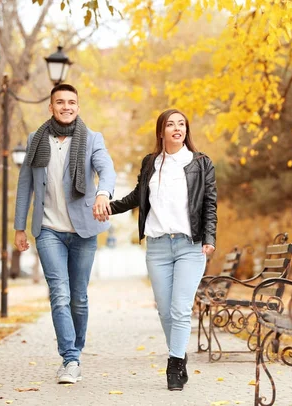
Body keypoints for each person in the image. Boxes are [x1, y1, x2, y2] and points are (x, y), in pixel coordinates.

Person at [102, 108, 217, 391]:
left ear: (186, 130)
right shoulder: (151, 162)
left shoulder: (201, 163)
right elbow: (137, 196)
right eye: (171, 124)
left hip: (190, 246)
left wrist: (210, 237)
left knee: (180, 309)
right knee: (165, 312)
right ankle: (180, 351)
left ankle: (175, 365)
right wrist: (109, 207)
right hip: (157, 247)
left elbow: (209, 204)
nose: (177, 128)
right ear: (161, 131)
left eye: (182, 124)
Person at [14, 83, 116, 385]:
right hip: (48, 231)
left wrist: (103, 193)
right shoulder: (36, 140)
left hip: (83, 230)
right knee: (59, 295)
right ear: (51, 107)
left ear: (78, 107)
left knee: (78, 298)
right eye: (60, 102)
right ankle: (70, 359)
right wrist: (20, 227)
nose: (66, 107)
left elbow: (106, 169)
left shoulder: (92, 139)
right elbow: (24, 186)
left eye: (72, 102)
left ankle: (77, 351)